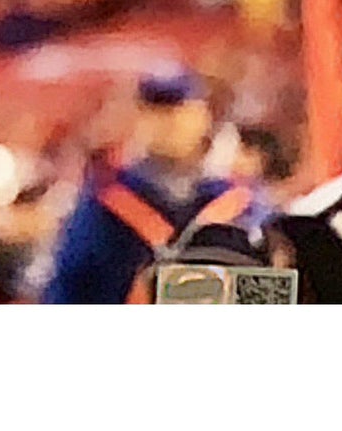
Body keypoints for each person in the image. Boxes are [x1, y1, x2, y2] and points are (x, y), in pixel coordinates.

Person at [39, 65, 251, 304]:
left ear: (202, 115)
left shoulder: (240, 199)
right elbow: (69, 288)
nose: (166, 123)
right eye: (154, 111)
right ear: (139, 117)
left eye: (178, 109)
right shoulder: (105, 201)